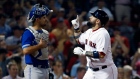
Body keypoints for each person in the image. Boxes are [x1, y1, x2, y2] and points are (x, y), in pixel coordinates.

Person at [71, 9, 118, 79]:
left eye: (93, 16)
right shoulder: (89, 31)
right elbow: (78, 40)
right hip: (91, 70)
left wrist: (84, 52)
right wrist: (76, 27)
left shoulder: (103, 34)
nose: (90, 17)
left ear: (98, 21)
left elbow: (101, 54)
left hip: (105, 71)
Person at [21, 4, 53, 79]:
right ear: (37, 19)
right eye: (44, 17)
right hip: (34, 69)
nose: (46, 19)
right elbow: (25, 51)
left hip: (45, 68)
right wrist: (39, 46)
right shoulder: (28, 32)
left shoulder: (45, 32)